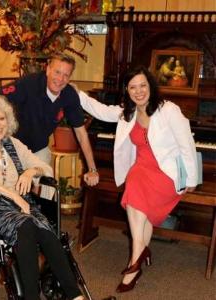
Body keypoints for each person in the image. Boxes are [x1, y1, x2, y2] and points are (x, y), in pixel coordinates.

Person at [78, 66, 198, 293]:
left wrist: (191, 177)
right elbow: (101, 110)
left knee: (136, 200)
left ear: (151, 86)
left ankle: (135, 261)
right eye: (133, 87)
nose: (139, 91)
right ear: (127, 90)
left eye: (143, 85)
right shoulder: (128, 112)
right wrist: (77, 95)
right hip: (142, 168)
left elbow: (187, 145)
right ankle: (138, 255)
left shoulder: (169, 110)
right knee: (136, 192)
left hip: (168, 172)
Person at [0, 94, 85, 300]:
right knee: (27, 226)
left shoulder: (14, 144)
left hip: (23, 204)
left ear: (8, 121)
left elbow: (45, 168)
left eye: (1, 119)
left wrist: (30, 172)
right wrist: (13, 196)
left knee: (47, 231)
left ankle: (75, 296)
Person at [0, 52, 99, 187]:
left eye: (65, 75)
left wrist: (92, 169)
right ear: (48, 70)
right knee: (12, 188)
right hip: (13, 146)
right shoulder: (29, 83)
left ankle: (45, 208)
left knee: (48, 182)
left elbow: (81, 134)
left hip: (39, 148)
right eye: (57, 72)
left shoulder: (69, 95)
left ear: (69, 78)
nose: (60, 79)